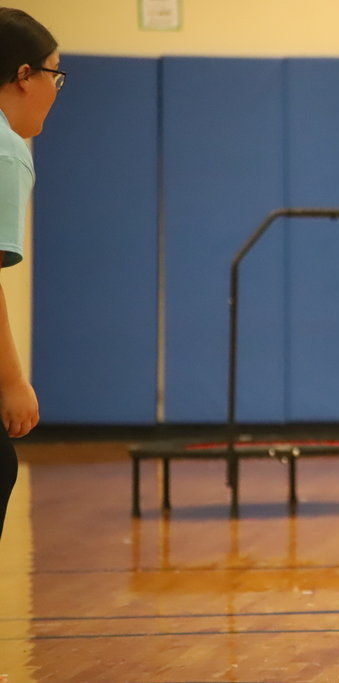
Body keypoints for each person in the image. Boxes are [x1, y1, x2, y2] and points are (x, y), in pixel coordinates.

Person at [0, 8, 58, 540]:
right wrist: (12, 381)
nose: (56, 91)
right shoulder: (6, 151)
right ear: (24, 75)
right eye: (54, 75)